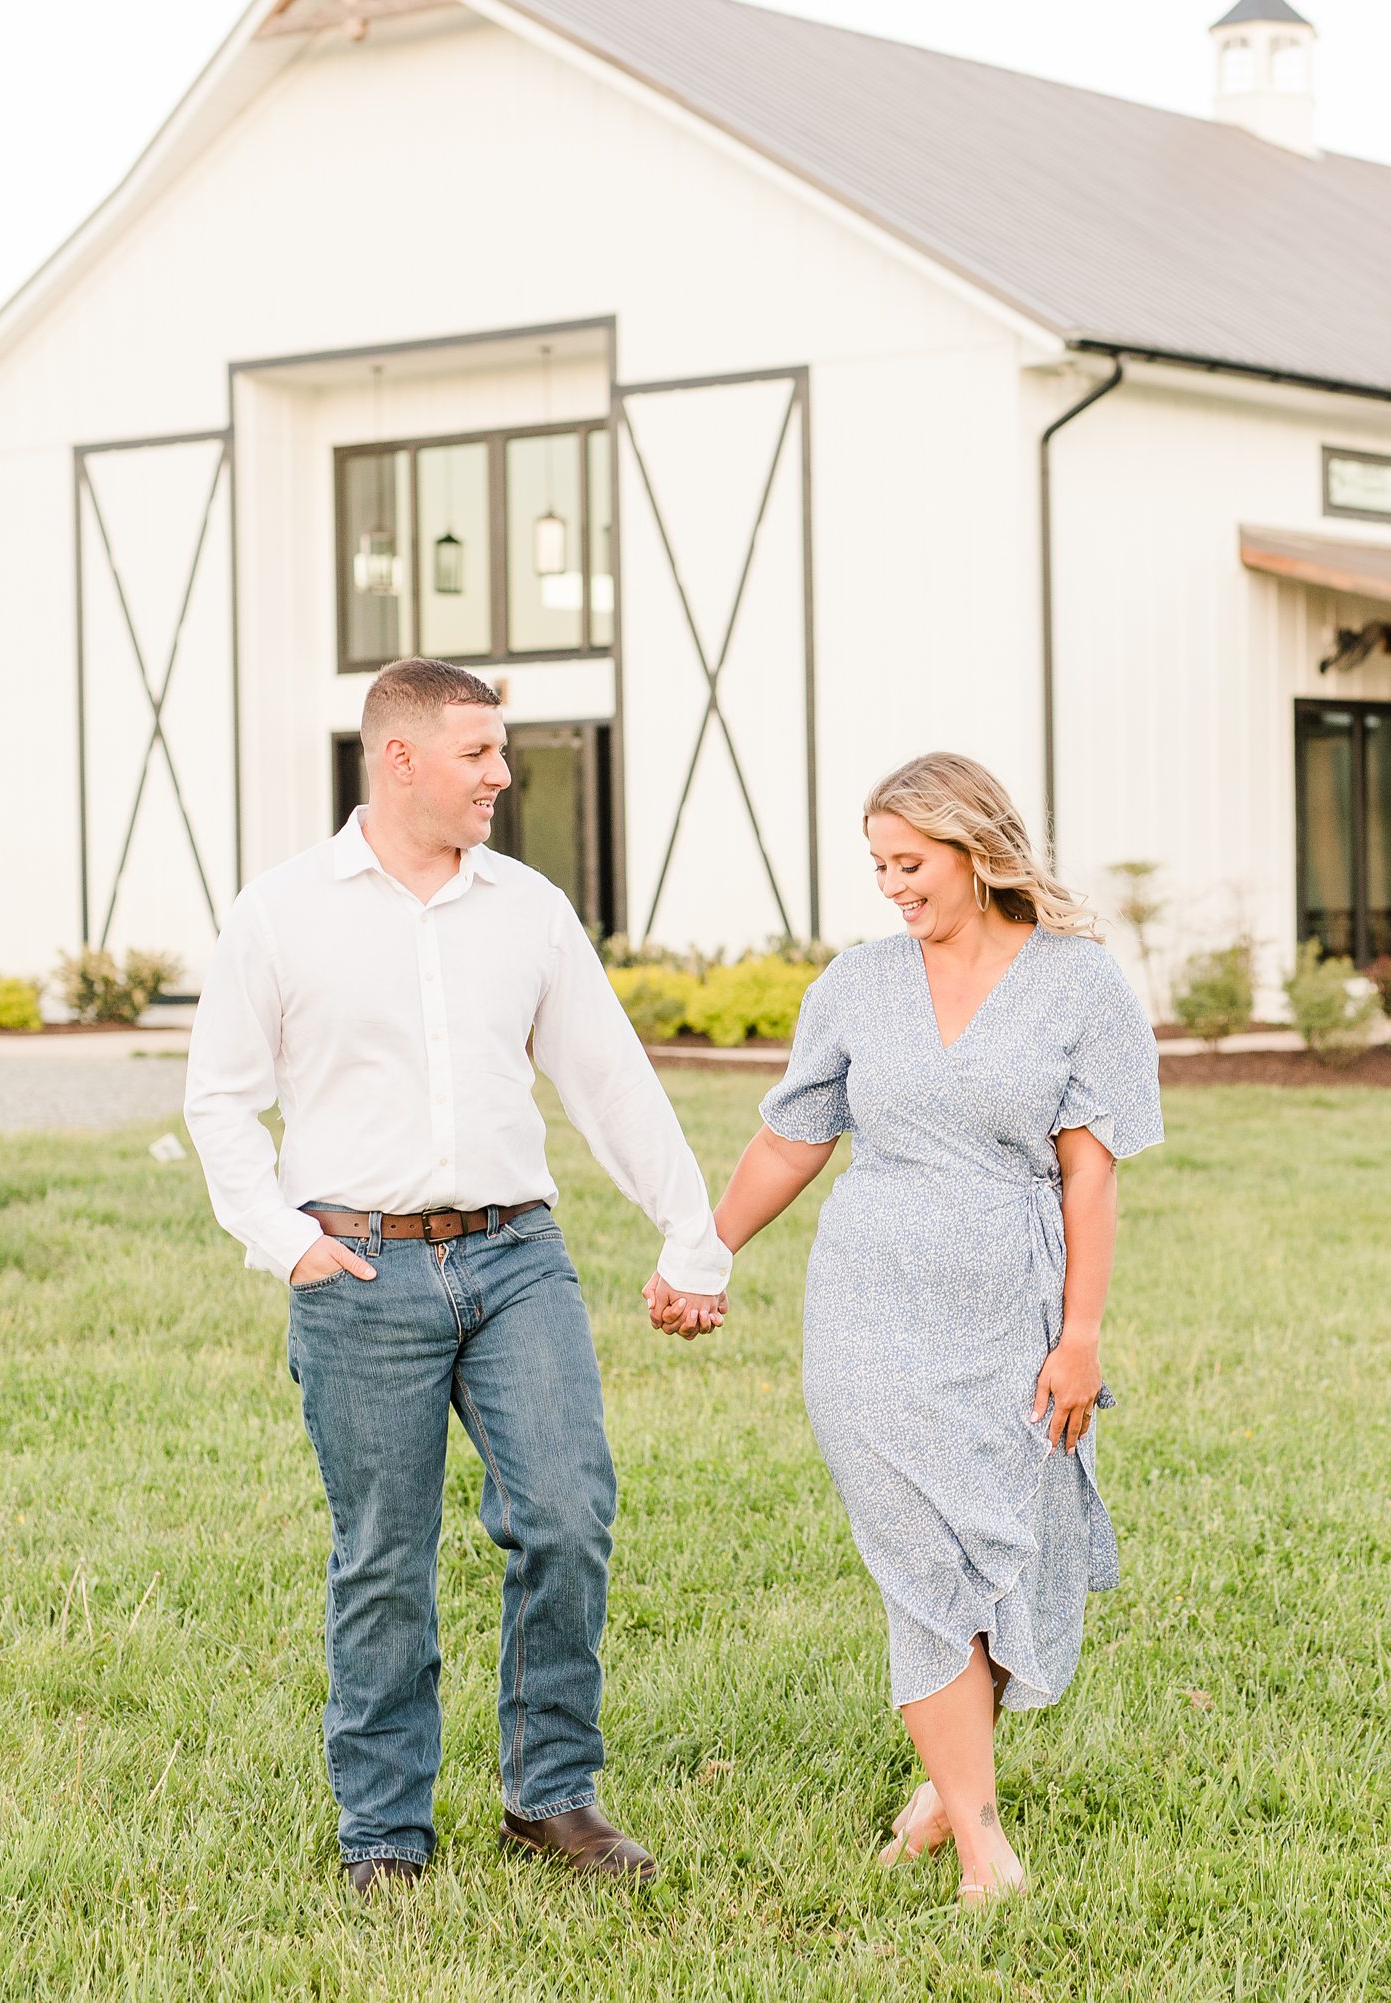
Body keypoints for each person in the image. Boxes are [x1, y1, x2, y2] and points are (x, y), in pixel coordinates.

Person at [183, 657, 730, 1898]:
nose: (501, 774)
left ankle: (551, 1796)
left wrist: (689, 1231)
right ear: (401, 758)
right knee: (384, 1554)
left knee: (568, 1513)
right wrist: (284, 1236)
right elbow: (220, 1099)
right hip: (357, 1266)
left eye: (500, 751)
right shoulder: (281, 911)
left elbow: (608, 1078)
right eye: (479, 752)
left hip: (516, 1254)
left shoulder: (528, 908)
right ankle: (384, 1828)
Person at [702, 751, 1162, 1907]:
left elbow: (1091, 1174)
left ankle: (944, 1789)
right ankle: (982, 1845)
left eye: (910, 862)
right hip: (868, 1311)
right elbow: (792, 1139)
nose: (892, 885)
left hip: (1014, 1314)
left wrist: (1081, 1334)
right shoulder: (857, 985)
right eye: (879, 866)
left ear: (976, 849)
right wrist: (706, 1252)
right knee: (922, 1565)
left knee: (1009, 1548)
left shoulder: (1079, 985)